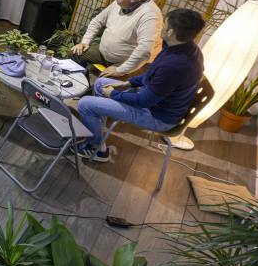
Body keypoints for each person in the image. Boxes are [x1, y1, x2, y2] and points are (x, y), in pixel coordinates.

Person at [76, 8, 205, 163]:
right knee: (100, 83)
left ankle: (97, 149)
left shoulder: (175, 65)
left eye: (164, 25)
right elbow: (154, 74)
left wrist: (113, 94)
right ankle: (97, 130)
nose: (160, 27)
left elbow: (144, 101)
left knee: (85, 104)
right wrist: (129, 82)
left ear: (171, 32)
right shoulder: (187, 48)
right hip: (155, 101)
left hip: (157, 116)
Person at [71, 0, 163, 78]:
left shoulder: (150, 15)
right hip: (103, 53)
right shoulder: (121, 2)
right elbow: (97, 21)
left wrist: (120, 70)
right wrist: (85, 42)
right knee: (75, 53)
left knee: (104, 82)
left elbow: (145, 50)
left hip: (127, 63)